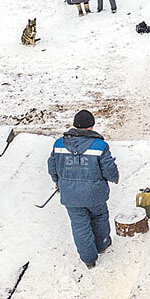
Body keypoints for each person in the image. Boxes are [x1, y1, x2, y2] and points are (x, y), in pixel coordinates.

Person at [47, 109, 120, 268]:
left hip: (70, 196)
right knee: (100, 217)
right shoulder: (100, 145)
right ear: (91, 127)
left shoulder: (59, 144)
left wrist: (58, 182)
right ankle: (102, 244)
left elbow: (52, 166)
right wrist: (114, 178)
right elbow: (109, 169)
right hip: (95, 194)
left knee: (79, 225)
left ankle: (88, 259)